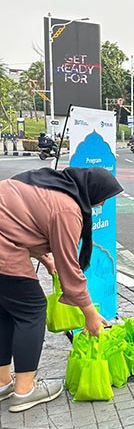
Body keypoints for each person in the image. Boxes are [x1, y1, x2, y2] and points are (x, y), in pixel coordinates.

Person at [0, 167, 122, 412]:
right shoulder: (67, 208)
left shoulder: (52, 186)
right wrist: (90, 314)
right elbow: (70, 270)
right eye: (104, 196)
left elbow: (20, 224)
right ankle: (25, 391)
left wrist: (46, 260)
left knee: (5, 312)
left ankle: (3, 383)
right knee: (31, 311)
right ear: (93, 190)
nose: (103, 202)